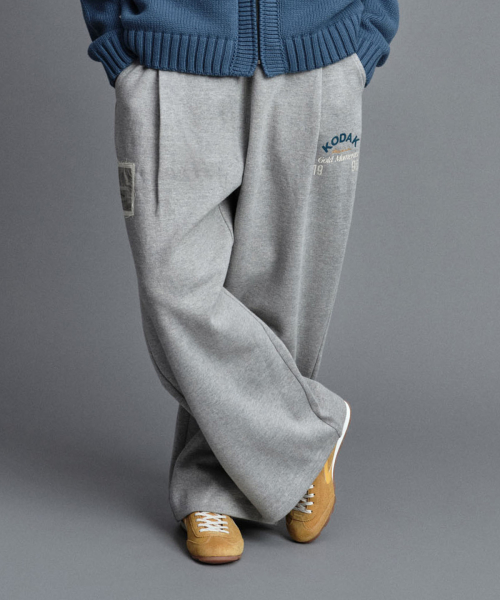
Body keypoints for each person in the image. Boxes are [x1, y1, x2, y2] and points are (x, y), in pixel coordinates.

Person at [79, 0, 399, 564]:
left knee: (281, 295)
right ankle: (305, 440)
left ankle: (211, 489)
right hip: (171, 50)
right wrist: (115, 44)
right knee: (173, 285)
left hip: (316, 49)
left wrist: (369, 31)